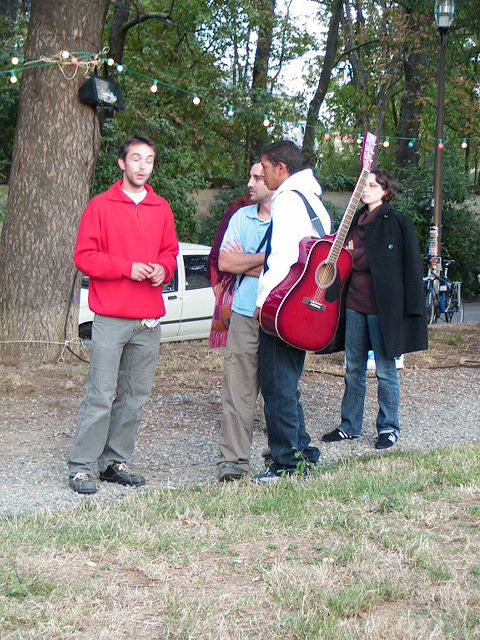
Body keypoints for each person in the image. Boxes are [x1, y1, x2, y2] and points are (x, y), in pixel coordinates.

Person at [68, 136, 179, 494]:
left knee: (134, 395)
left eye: (149, 159)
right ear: (122, 163)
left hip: (148, 318)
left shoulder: (161, 208)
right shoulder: (100, 206)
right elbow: (84, 258)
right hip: (111, 317)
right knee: (100, 393)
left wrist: (164, 269)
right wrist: (126, 268)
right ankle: (82, 467)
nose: (143, 165)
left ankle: (115, 461)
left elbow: (170, 251)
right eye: (136, 158)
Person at [321, 169, 427, 449]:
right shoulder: (355, 220)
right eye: (363, 185)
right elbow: (342, 256)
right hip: (354, 304)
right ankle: (349, 425)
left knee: (385, 370)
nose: (365, 190)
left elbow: (403, 267)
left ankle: (389, 428)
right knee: (353, 368)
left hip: (382, 309)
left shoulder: (397, 223)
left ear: (384, 190)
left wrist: (357, 253)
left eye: (371, 185)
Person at [254, 140, 332, 484]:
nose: (263, 174)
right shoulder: (314, 201)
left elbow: (283, 258)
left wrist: (263, 301)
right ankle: (303, 450)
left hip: (283, 305)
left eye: (266, 168)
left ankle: (287, 462)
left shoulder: (286, 201)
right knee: (289, 381)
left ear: (281, 169)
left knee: (276, 386)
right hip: (307, 306)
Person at [217, 163, 273, 482]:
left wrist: (245, 263)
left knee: (278, 390)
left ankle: (277, 456)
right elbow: (225, 261)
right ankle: (233, 462)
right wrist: (266, 261)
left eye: (257, 177)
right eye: (250, 175)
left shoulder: (290, 220)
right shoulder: (241, 217)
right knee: (238, 390)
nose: (249, 183)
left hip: (278, 314)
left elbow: (295, 266)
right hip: (242, 312)